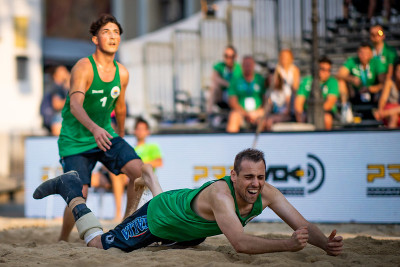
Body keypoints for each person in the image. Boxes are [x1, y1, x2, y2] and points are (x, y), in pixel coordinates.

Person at [33, 148, 343, 255]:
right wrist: (287, 246)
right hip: (160, 216)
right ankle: (72, 188)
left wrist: (324, 245)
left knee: (193, 237)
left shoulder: (267, 193)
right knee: (98, 246)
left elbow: (302, 225)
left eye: (260, 177)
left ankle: (149, 181)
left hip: (188, 228)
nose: (256, 184)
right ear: (233, 175)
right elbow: (240, 244)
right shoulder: (222, 195)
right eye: (248, 177)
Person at [56, 14, 160, 241]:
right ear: (95, 39)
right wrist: (94, 128)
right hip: (75, 141)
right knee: (79, 194)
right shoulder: (84, 67)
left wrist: (120, 138)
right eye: (106, 32)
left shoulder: (122, 72)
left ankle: (124, 226)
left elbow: (120, 108)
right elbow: (75, 105)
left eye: (116, 32)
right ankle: (63, 238)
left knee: (138, 172)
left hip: (106, 135)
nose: (113, 36)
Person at [336, 42, 386, 118]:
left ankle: (381, 112)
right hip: (356, 93)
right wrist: (351, 78)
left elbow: (384, 83)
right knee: (341, 81)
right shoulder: (352, 61)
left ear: (371, 54)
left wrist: (371, 89)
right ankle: (345, 108)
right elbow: (339, 74)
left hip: (373, 94)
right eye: (361, 52)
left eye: (366, 53)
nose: (363, 55)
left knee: (386, 86)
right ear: (358, 53)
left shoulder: (376, 62)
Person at [295, 56, 340, 130]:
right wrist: (300, 117)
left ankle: (325, 139)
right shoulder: (307, 81)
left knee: (326, 119)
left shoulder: (333, 82)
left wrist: (314, 114)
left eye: (328, 70)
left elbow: (329, 103)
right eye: (322, 69)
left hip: (326, 112)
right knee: (302, 118)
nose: (326, 72)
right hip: (308, 111)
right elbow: (298, 103)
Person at [226, 56, 266, 133]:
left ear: (254, 65)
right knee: (233, 116)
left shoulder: (260, 79)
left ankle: (263, 143)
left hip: (257, 113)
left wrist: (257, 112)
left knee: (264, 120)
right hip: (241, 113)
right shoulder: (235, 80)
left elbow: (265, 100)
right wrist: (245, 113)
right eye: (245, 65)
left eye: (249, 64)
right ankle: (232, 143)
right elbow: (232, 102)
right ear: (242, 66)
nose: (248, 67)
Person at [207, 45, 242, 116]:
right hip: (222, 94)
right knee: (214, 87)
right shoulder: (220, 66)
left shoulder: (239, 68)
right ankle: (209, 114)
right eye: (226, 56)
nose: (228, 59)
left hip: (234, 96)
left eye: (231, 56)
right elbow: (214, 78)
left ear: (235, 56)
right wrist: (228, 84)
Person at [374, 62, 400, 128]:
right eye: (398, 70)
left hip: (390, 111)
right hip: (389, 108)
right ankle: (391, 137)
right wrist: (380, 110)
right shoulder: (389, 82)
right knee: (393, 117)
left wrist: (385, 113)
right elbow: (383, 99)